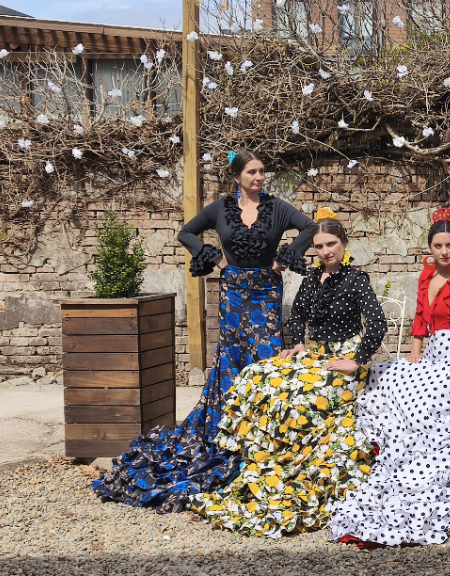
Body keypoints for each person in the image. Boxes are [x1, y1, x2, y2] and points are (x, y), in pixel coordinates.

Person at [94, 151, 316, 512]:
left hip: (265, 292)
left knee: (267, 356)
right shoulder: (219, 208)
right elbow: (186, 233)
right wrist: (216, 258)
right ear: (237, 176)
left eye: (262, 172)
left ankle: (264, 427)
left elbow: (309, 228)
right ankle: (227, 423)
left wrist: (281, 259)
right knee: (231, 355)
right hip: (231, 294)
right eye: (252, 172)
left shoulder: (277, 207)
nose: (260, 177)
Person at [191, 214, 385, 538]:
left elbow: (378, 324)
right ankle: (258, 465)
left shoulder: (356, 280)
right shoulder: (311, 279)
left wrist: (356, 360)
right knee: (255, 377)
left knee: (300, 401)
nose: (325, 251)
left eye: (331, 244)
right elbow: (296, 317)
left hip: (343, 360)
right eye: (319, 246)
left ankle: (294, 476)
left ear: (344, 244)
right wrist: (296, 344)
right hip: (314, 356)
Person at [328, 208, 450, 547]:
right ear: (430, 247)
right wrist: (415, 349)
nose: (444, 252)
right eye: (438, 245)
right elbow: (419, 319)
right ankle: (398, 450)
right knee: (387, 374)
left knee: (428, 400)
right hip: (432, 355)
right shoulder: (426, 278)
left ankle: (428, 469)